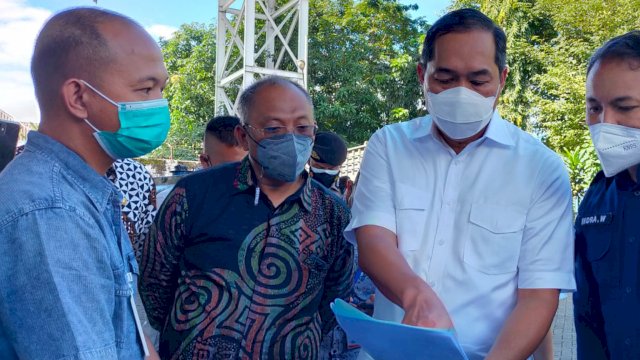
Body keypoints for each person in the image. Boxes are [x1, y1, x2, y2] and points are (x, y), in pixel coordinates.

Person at [345, 8, 575, 360]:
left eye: (478, 81)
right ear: (423, 74)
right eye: (446, 78)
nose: (461, 92)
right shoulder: (389, 145)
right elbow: (373, 240)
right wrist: (415, 295)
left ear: (502, 79)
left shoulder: (541, 169)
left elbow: (538, 294)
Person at [139, 76, 355, 359]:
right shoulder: (193, 195)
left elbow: (332, 299)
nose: (291, 138)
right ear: (243, 136)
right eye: (274, 128)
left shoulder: (333, 213)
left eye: (302, 127)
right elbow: (155, 284)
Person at [0, 7, 168, 359]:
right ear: (78, 97)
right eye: (145, 88)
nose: (160, 105)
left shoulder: (88, 190)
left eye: (161, 88)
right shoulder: (50, 211)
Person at [574, 30, 640, 360]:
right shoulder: (595, 203)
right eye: (594, 107)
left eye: (624, 107)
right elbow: (588, 318)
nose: (605, 123)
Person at [309, 131, 350, 199]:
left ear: (341, 166)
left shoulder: (348, 192)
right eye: (319, 167)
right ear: (308, 161)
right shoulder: (297, 188)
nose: (326, 171)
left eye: (331, 169)